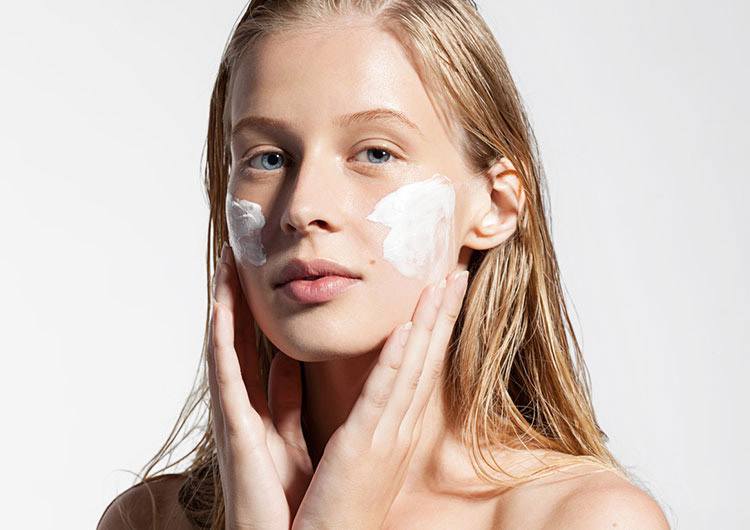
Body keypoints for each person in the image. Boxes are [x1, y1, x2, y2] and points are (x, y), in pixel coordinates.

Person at [98, 1, 670, 528]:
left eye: (375, 152)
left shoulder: (584, 519)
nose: (302, 208)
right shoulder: (147, 521)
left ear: (494, 205)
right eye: (268, 158)